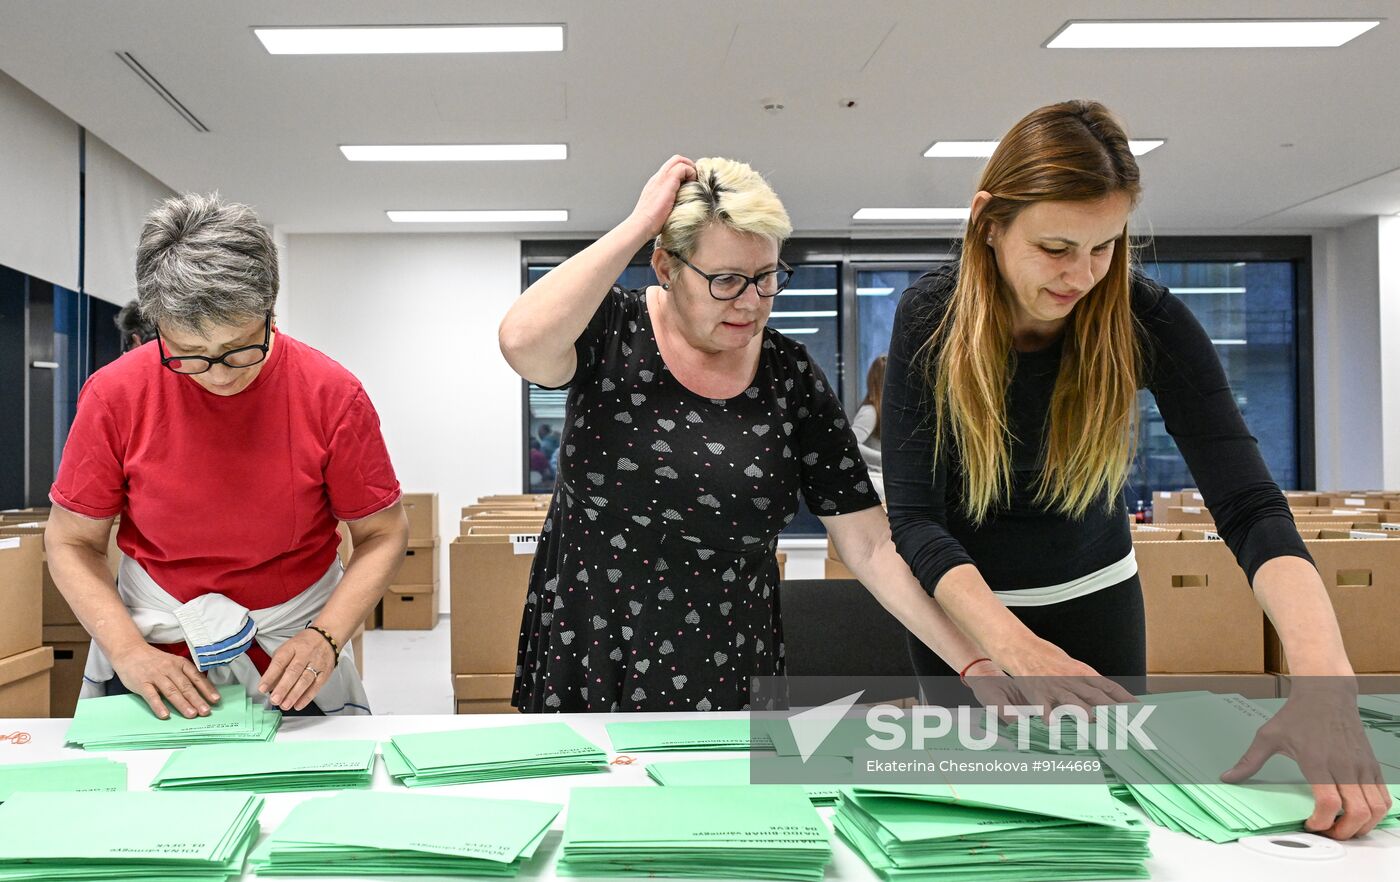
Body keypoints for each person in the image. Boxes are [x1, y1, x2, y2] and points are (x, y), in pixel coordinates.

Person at [882, 99, 1388, 839]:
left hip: (1098, 605)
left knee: (1116, 821)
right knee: (991, 827)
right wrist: (1013, 647)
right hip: (966, 615)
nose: (1082, 275)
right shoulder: (929, 317)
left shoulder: (1146, 318)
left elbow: (1249, 505)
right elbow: (915, 522)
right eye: (1056, 246)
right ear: (989, 221)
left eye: (1105, 246)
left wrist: (1324, 682)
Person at [498, 155, 1068, 713]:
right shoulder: (610, 332)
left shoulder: (788, 375)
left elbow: (868, 543)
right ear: (667, 268)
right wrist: (639, 223)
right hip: (592, 647)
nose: (752, 302)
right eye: (726, 280)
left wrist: (974, 663)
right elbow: (521, 341)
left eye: (767, 277)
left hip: (725, 660)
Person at [44, 193, 409, 719]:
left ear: (270, 312)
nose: (219, 374)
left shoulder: (331, 394)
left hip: (295, 651)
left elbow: (383, 534)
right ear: (157, 328)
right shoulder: (115, 396)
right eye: (190, 355)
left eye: (239, 348)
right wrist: (127, 651)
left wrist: (327, 638)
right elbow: (72, 541)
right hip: (156, 655)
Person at [851, 355, 885, 499]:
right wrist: (883, 458)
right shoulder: (870, 412)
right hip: (878, 481)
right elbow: (852, 443)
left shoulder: (881, 411)